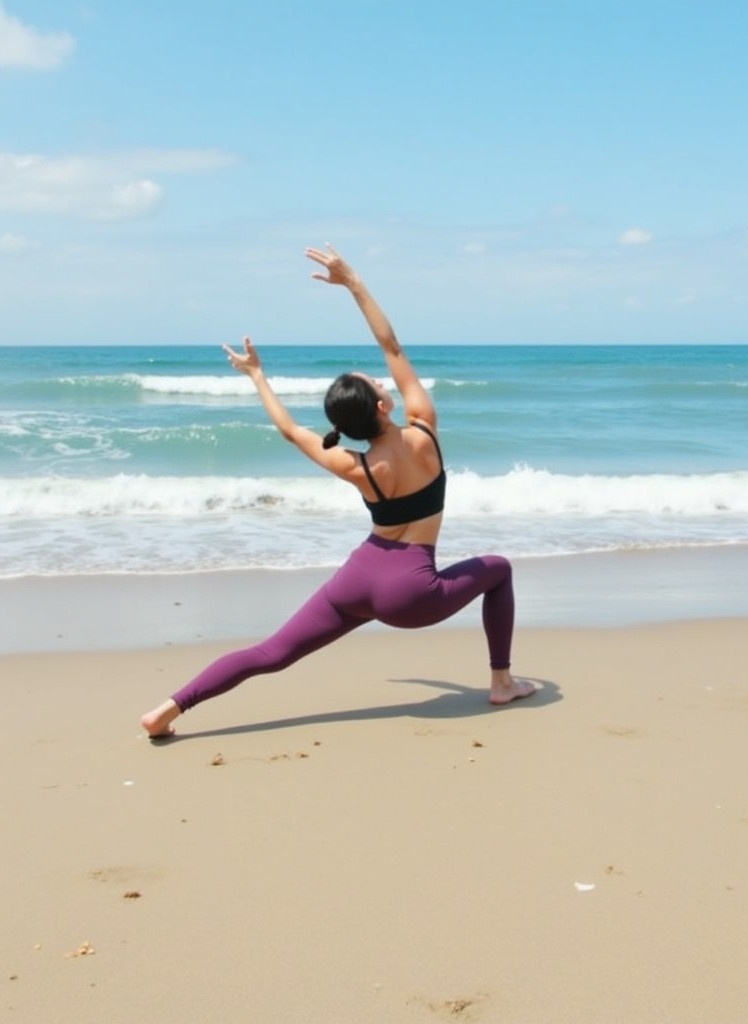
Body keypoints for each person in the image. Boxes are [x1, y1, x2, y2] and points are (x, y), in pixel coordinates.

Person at [141, 244, 533, 738]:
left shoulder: (356, 465)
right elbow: (392, 347)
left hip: (357, 578)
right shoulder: (424, 429)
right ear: (384, 402)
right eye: (374, 381)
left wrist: (258, 375)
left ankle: (168, 709)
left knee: (271, 654)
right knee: (498, 570)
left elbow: (290, 431)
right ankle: (502, 681)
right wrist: (354, 283)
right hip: (411, 593)